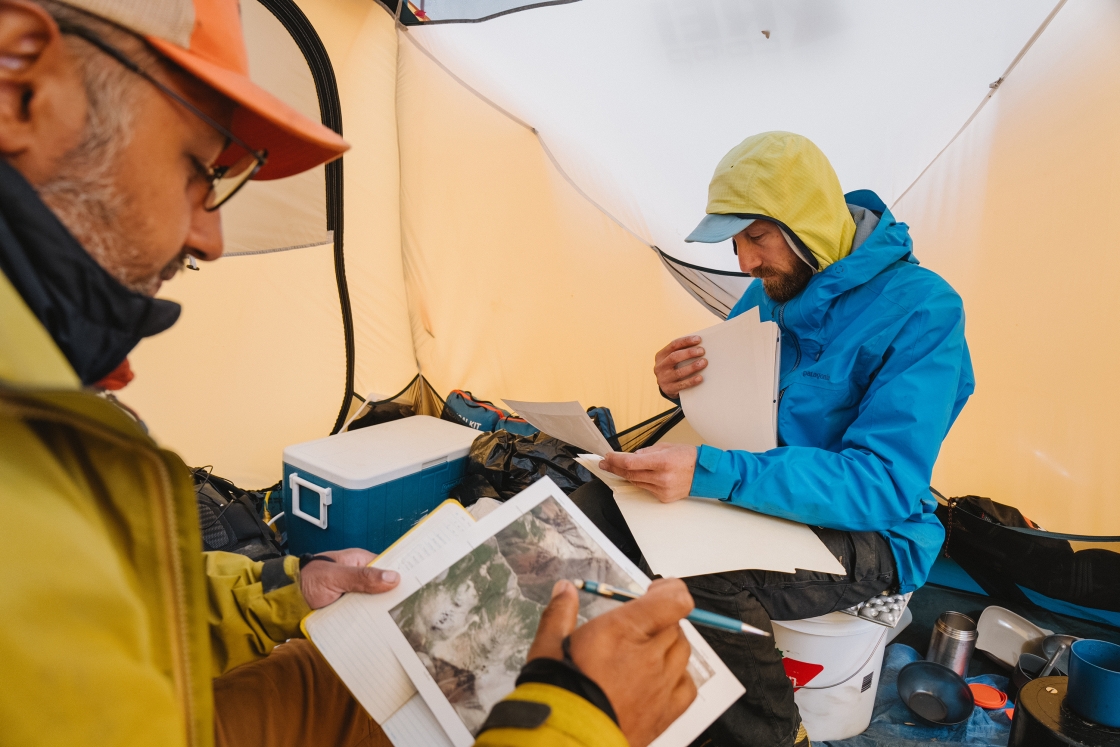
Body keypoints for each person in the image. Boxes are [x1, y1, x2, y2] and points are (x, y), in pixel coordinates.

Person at [0, 2, 696, 746]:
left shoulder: (49, 411)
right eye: (200, 170)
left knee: (350, 679)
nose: (210, 238)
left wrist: (282, 591)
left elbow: (105, 608)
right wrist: (580, 721)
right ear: (18, 84)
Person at [578, 131, 976, 747]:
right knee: (593, 508)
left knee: (698, 577)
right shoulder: (773, 290)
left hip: (877, 530)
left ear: (807, 223)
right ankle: (636, 697)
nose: (744, 264)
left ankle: (774, 732)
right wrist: (680, 388)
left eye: (755, 238)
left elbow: (884, 481)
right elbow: (741, 400)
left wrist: (714, 474)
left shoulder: (925, 311)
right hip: (766, 496)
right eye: (736, 243)